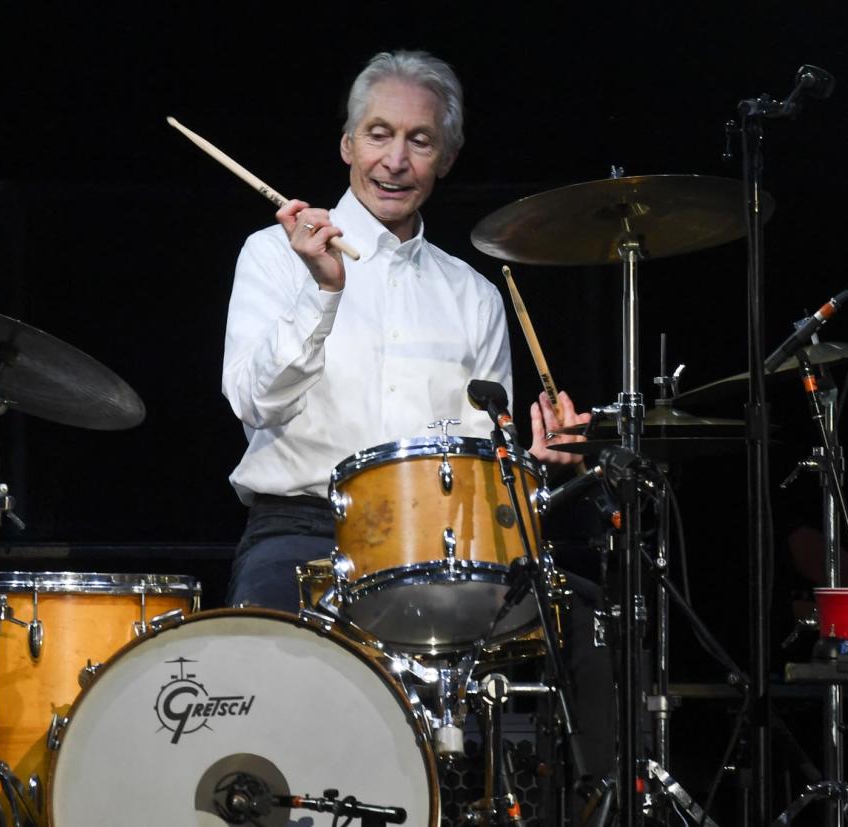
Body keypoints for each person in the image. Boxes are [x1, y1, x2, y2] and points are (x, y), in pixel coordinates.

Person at [220, 49, 613, 798]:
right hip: (304, 531)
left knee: (589, 620)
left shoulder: (471, 294)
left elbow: (478, 463)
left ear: (448, 157)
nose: (394, 160)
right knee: (265, 650)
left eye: (419, 140)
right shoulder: (274, 256)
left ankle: (586, 802)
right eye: (378, 134)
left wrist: (528, 459)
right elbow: (254, 403)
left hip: (438, 547)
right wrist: (323, 293)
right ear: (347, 144)